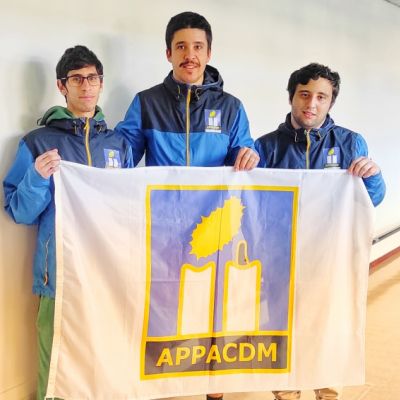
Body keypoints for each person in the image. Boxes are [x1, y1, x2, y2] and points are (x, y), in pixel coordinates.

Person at [3, 45, 133, 400]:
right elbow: (19, 212)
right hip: (58, 276)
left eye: (92, 78)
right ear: (62, 86)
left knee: (104, 360)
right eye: (77, 79)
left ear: (101, 83)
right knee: (57, 366)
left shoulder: (118, 144)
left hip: (107, 274)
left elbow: (129, 209)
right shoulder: (39, 142)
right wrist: (36, 176)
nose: (86, 86)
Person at [255, 63, 385, 400]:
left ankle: (327, 392)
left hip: (331, 259)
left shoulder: (350, 142)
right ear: (291, 97)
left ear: (331, 102)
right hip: (281, 262)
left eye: (321, 97)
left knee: (330, 327)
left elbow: (371, 199)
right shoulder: (266, 147)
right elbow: (252, 206)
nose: (311, 104)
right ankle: (286, 393)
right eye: (304, 94)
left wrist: (372, 176)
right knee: (282, 330)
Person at [115, 11, 259, 171]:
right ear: (169, 54)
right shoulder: (146, 103)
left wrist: (248, 157)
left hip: (212, 190)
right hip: (161, 190)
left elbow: (242, 158)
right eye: (181, 47)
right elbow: (119, 156)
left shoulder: (231, 107)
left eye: (198, 47)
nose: (190, 55)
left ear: (208, 54)